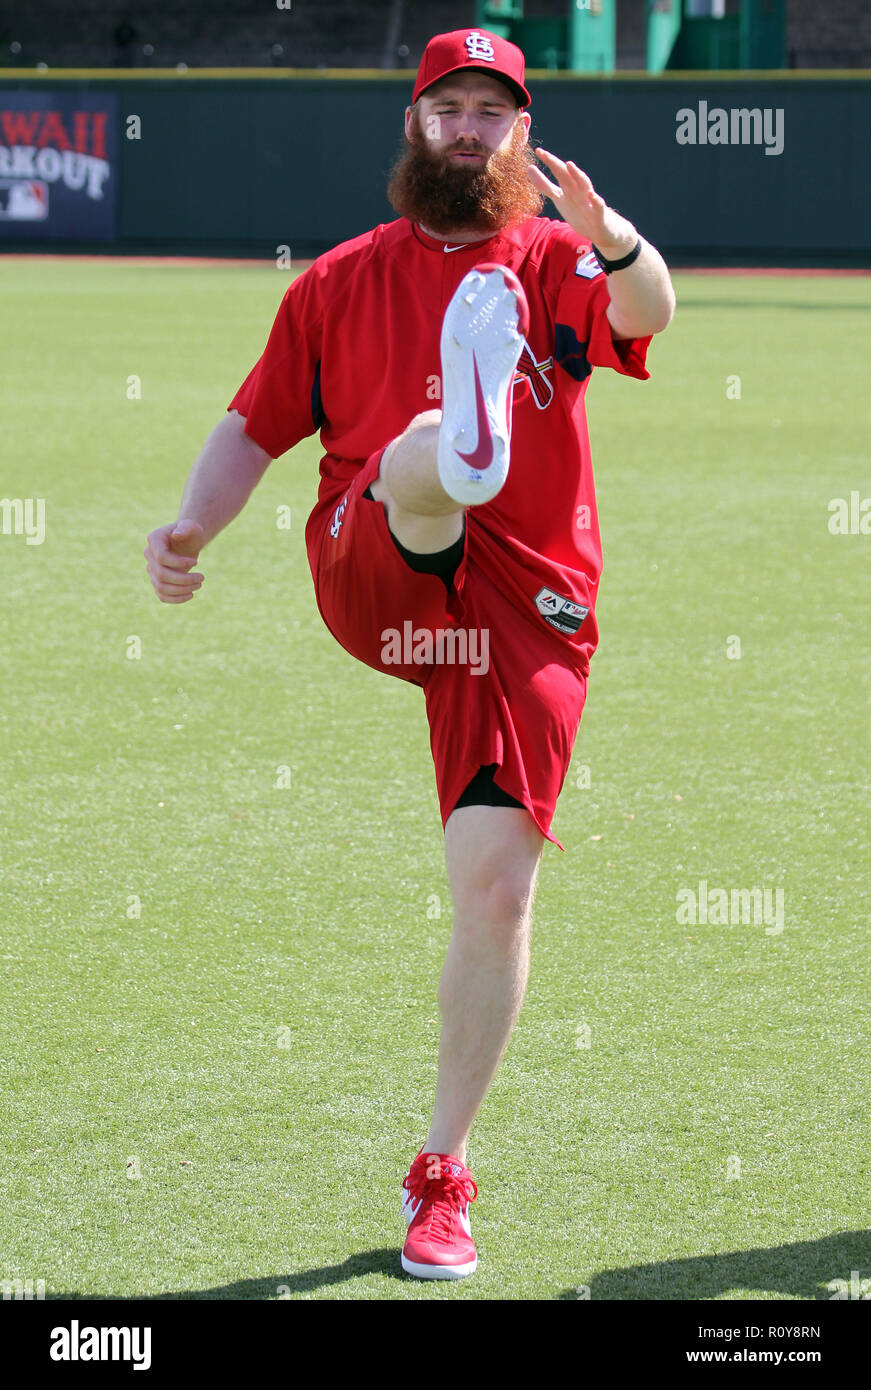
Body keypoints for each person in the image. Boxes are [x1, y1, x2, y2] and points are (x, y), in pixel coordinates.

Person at [144, 27, 675, 1281]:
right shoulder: (335, 281)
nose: (473, 129)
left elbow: (652, 312)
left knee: (496, 893)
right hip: (373, 564)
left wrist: (614, 241)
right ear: (415, 124)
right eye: (452, 108)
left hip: (526, 604)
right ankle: (443, 449)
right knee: (411, 461)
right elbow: (253, 426)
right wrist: (188, 529)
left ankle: (443, 1172)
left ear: (523, 136)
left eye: (497, 110)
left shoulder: (555, 258)